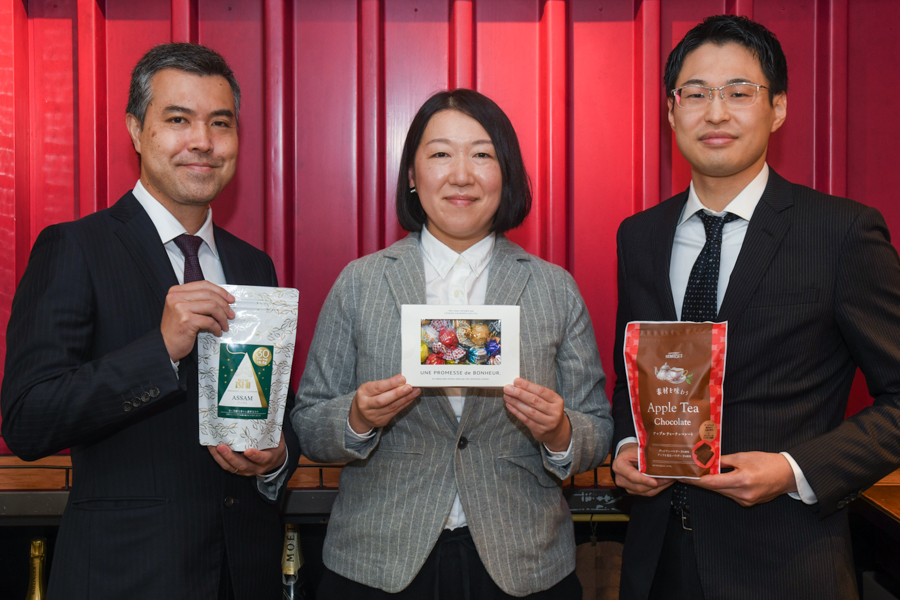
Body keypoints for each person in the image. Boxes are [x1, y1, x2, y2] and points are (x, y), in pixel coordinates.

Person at [610, 14, 900, 600]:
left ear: (779, 108)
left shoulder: (841, 233)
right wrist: (625, 447)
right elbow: (631, 377)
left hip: (785, 562)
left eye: (739, 93)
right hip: (657, 561)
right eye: (695, 94)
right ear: (671, 111)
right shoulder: (639, 235)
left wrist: (794, 470)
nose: (716, 113)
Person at [1, 43, 300, 600]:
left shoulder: (253, 264)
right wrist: (159, 350)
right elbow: (26, 421)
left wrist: (276, 457)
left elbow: (277, 411)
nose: (203, 141)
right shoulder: (75, 248)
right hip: (125, 577)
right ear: (136, 131)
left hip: (243, 576)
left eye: (220, 123)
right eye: (178, 120)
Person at [293, 89, 612, 599]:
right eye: (441, 153)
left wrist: (559, 431)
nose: (461, 175)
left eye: (482, 154)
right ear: (413, 175)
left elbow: (596, 426)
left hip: (522, 559)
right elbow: (309, 421)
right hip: (379, 559)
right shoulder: (361, 282)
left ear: (505, 174)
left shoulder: (554, 288)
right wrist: (357, 417)